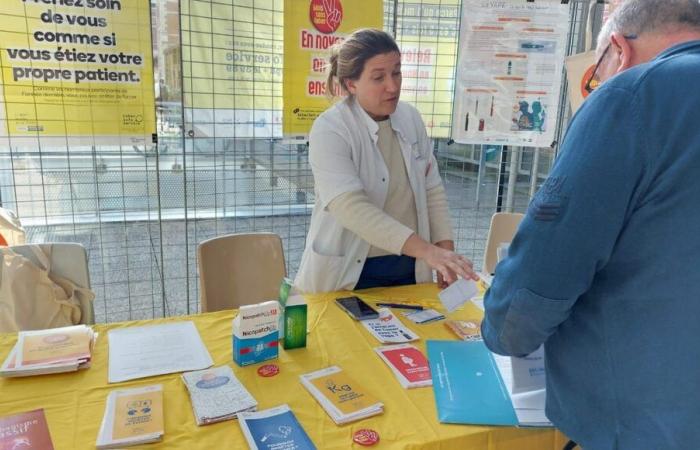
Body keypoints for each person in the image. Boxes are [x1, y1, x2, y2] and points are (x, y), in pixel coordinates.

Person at [481, 1, 700, 448]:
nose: (595, 87)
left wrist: (502, 331)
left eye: (593, 77)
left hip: (642, 420)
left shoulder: (633, 97)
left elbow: (542, 273)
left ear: (617, 49)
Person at [294, 28, 477, 294]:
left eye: (397, 72)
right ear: (351, 84)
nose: (392, 86)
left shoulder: (410, 119)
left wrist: (445, 257)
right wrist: (428, 251)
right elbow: (351, 207)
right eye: (378, 77)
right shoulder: (331, 129)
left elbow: (432, 191)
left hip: (410, 266)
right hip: (350, 271)